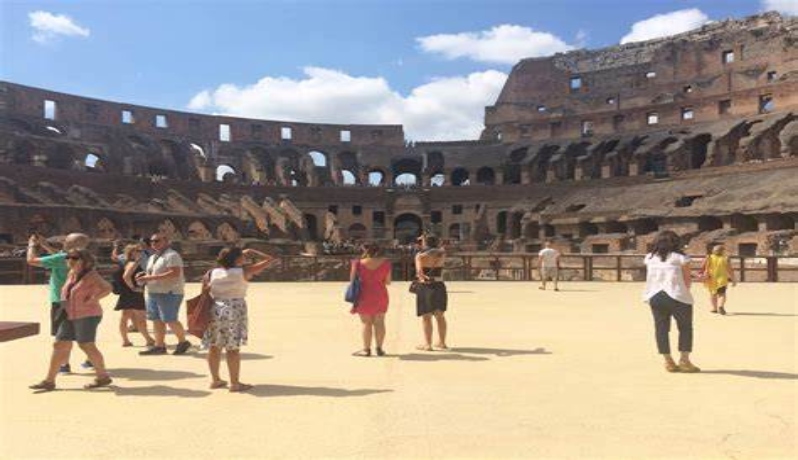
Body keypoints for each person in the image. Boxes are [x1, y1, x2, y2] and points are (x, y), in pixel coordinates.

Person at [29, 249, 113, 391]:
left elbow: (108, 288)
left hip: (87, 315)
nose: (70, 260)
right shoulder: (71, 273)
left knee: (86, 345)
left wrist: (94, 298)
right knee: (59, 344)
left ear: (85, 261)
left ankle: (103, 377)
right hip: (69, 314)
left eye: (74, 258)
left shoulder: (92, 275)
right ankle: (49, 381)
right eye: (68, 257)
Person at [204, 247, 274, 392]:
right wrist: (253, 251)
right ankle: (235, 383)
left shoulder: (212, 273)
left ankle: (215, 380)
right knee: (233, 348)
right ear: (237, 259)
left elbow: (205, 292)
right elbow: (270, 259)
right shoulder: (243, 271)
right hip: (234, 309)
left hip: (215, 308)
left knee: (214, 346)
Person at [26, 232, 93, 373]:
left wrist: (31, 245)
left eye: (66, 240)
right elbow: (59, 255)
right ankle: (91, 359)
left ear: (71, 244)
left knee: (63, 335)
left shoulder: (61, 258)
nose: (63, 241)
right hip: (81, 300)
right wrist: (45, 245)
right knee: (83, 332)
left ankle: (64, 364)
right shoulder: (86, 258)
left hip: (61, 301)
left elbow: (31, 260)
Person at [642, 231, 700, 373]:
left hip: (655, 295)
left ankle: (668, 361)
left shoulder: (649, 257)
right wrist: (684, 291)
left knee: (661, 328)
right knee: (685, 328)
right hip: (677, 295)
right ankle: (684, 360)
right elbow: (687, 280)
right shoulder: (681, 258)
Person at [136, 233, 192, 355]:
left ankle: (183, 342)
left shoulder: (172, 255)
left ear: (166, 241)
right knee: (156, 319)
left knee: (170, 319)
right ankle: (159, 345)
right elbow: (152, 272)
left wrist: (150, 278)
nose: (154, 243)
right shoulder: (153, 257)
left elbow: (174, 273)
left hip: (169, 292)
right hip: (153, 291)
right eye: (152, 241)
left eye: (157, 241)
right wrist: (144, 275)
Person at [349, 243, 392, 357]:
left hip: (363, 295)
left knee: (366, 323)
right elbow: (388, 282)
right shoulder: (386, 263)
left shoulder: (357, 263)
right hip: (380, 294)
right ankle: (379, 349)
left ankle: (366, 349)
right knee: (380, 322)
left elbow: (352, 280)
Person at [113, 244, 155, 347]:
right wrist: (133, 288)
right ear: (132, 253)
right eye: (138, 251)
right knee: (141, 318)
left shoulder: (126, 262)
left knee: (125, 317)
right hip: (134, 293)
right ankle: (148, 339)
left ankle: (125, 340)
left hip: (125, 293)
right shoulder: (133, 263)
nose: (141, 253)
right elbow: (126, 276)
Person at [413, 234, 448, 351]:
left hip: (425, 286)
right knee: (440, 316)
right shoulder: (442, 254)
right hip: (439, 285)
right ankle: (442, 342)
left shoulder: (420, 256)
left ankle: (428, 344)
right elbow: (441, 247)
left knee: (426, 316)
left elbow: (419, 272)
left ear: (425, 243)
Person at [702, 244, 736, 315]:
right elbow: (730, 270)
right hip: (722, 279)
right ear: (723, 251)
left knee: (712, 294)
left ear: (713, 251)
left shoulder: (709, 257)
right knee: (722, 294)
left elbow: (703, 267)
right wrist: (733, 279)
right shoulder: (725, 258)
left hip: (712, 279)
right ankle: (720, 306)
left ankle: (714, 308)